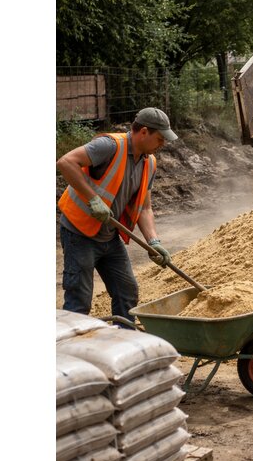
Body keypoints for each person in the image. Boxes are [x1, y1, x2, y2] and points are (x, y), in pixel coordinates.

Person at [57, 107, 177, 322]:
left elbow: (144, 207)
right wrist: (93, 199)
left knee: (127, 292)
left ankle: (125, 343)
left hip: (109, 237)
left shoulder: (149, 162)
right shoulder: (110, 146)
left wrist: (153, 241)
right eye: (159, 139)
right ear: (143, 132)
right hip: (79, 233)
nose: (163, 144)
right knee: (79, 300)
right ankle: (69, 351)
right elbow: (66, 162)